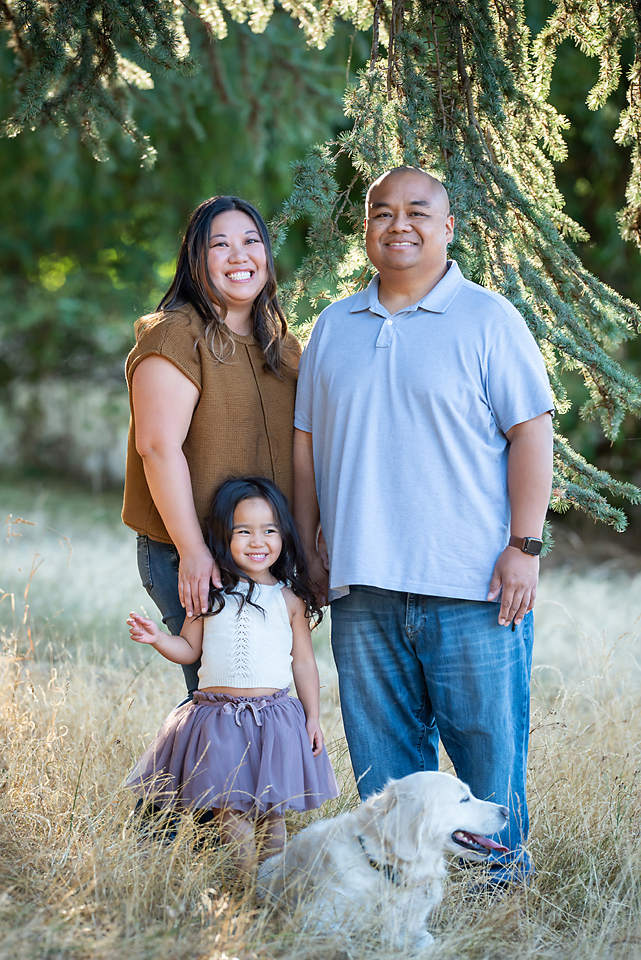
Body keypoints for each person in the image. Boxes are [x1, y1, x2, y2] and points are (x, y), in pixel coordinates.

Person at [293, 166, 554, 885]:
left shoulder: (488, 319)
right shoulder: (333, 325)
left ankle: (494, 883)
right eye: (381, 211)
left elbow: (531, 433)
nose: (397, 224)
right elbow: (306, 445)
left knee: (485, 750)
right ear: (366, 228)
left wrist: (522, 547)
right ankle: (398, 891)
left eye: (416, 211)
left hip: (469, 582)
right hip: (361, 583)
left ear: (446, 228)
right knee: (384, 765)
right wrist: (310, 547)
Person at [122, 196, 300, 698]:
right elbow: (157, 448)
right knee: (221, 700)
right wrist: (195, 553)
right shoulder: (176, 335)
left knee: (266, 695)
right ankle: (208, 779)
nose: (238, 256)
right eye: (219, 245)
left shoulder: (283, 347)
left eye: (251, 242)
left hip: (263, 555)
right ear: (195, 261)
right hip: (194, 551)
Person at [126, 477, 338, 871]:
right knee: (228, 810)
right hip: (218, 720)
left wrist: (312, 717)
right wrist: (158, 638)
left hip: (273, 720)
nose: (258, 542)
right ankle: (245, 891)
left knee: (271, 814)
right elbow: (188, 649)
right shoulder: (210, 593)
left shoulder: (289, 599)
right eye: (244, 531)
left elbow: (304, 663)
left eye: (269, 531)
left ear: (283, 535)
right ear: (224, 536)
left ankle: (272, 887)